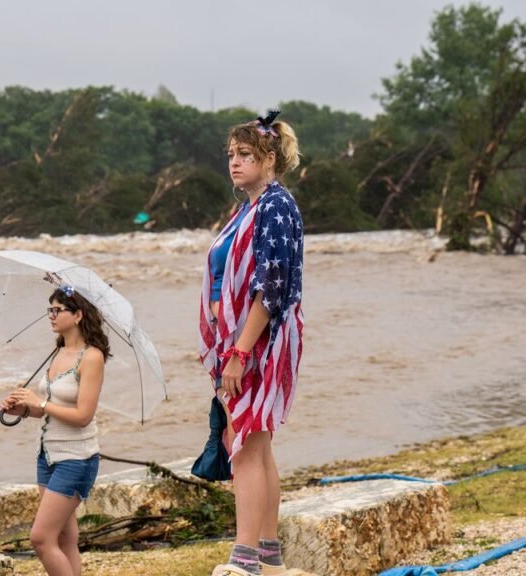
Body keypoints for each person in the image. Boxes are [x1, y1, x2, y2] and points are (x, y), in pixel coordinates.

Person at [199, 111, 304, 576]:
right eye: (231, 155)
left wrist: (240, 351)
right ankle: (267, 556)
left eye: (245, 155)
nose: (235, 163)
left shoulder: (276, 206)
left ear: (270, 159)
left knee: (243, 446)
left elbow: (271, 286)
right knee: (256, 445)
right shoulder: (248, 207)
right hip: (241, 338)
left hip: (261, 340)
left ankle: (244, 560)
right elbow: (228, 277)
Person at [0, 285, 110, 576]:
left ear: (77, 316)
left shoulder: (91, 357)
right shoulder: (58, 352)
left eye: (57, 310)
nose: (50, 315)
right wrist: (23, 409)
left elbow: (83, 416)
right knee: (64, 538)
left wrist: (41, 403)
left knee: (40, 538)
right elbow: (46, 408)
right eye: (49, 309)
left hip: (77, 459)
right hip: (47, 456)